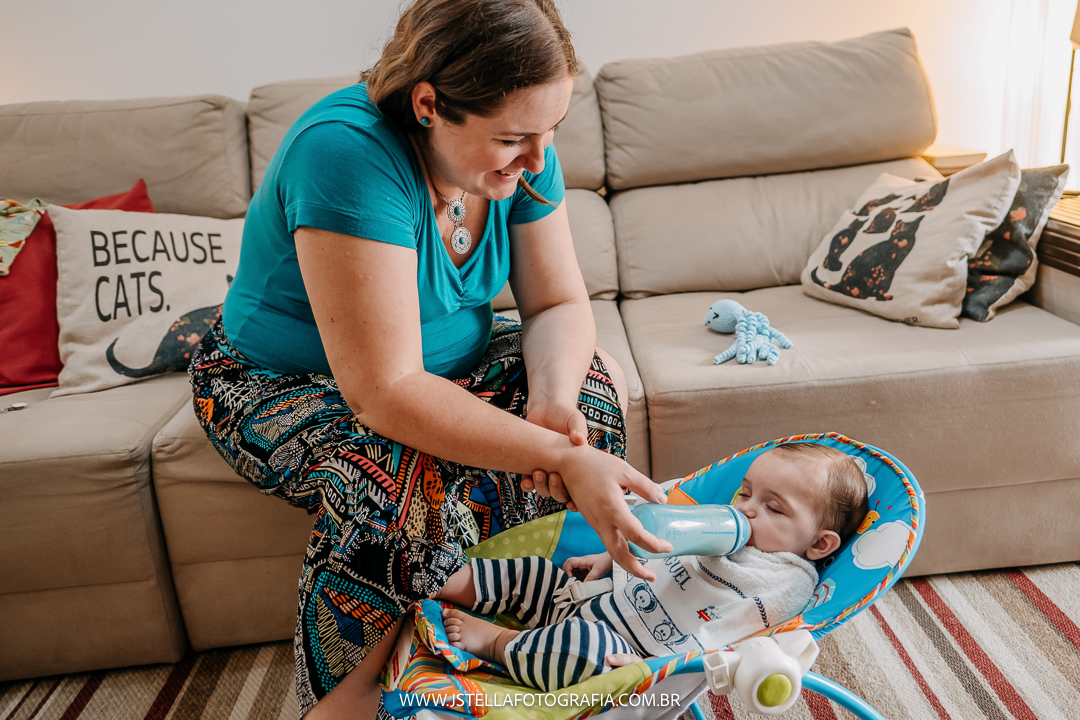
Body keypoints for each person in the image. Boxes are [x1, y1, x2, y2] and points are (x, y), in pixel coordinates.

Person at [188, 0, 672, 717]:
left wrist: (552, 411)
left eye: (550, 134)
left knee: (592, 390)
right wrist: (555, 457)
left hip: (449, 364)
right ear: (429, 105)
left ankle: (520, 631)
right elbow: (384, 393)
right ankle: (351, 702)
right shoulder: (345, 153)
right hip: (282, 379)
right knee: (395, 481)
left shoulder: (524, 151)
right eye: (514, 139)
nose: (539, 162)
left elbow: (559, 307)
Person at [435, 442, 869, 692]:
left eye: (773, 508)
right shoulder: (719, 527)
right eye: (746, 494)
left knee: (582, 652)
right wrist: (609, 558)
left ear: (818, 544)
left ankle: (499, 643)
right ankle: (454, 580)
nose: (747, 511)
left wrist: (657, 669)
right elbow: (662, 545)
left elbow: (735, 639)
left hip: (626, 652)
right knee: (534, 573)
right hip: (588, 597)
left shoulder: (785, 583)